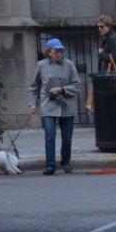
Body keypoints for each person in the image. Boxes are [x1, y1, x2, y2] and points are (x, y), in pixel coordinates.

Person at [29, 37, 81, 175]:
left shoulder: (69, 65)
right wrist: (32, 104)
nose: (59, 53)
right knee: (50, 135)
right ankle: (50, 165)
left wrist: (62, 89)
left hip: (66, 106)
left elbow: (77, 85)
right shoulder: (41, 65)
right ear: (48, 52)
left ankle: (65, 161)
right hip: (48, 105)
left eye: (61, 51)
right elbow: (34, 86)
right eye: (56, 51)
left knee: (67, 137)